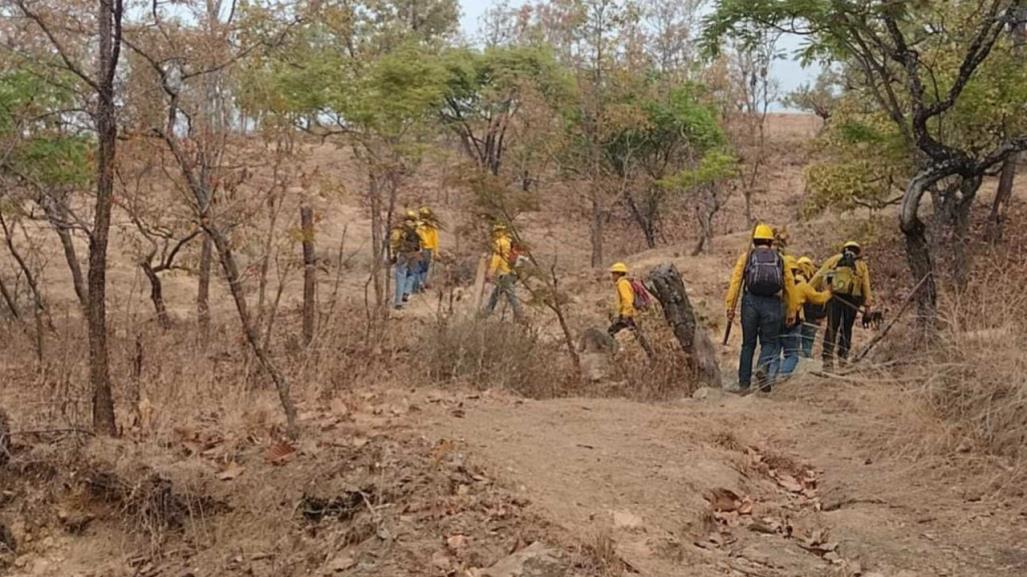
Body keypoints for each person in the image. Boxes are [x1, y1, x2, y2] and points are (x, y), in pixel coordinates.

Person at [725, 223, 797, 392]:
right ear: (771, 242)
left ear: (755, 240)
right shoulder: (780, 259)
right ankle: (762, 368)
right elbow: (790, 285)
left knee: (747, 344)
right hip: (772, 303)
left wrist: (730, 306)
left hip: (750, 302)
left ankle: (744, 384)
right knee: (769, 342)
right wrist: (792, 310)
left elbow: (735, 282)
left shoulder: (747, 257)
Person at [810, 241, 873, 369]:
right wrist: (867, 306)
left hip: (834, 298)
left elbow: (818, 276)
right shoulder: (861, 265)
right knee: (847, 328)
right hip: (852, 300)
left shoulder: (834, 260)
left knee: (831, 327)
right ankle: (843, 358)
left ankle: (827, 360)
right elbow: (866, 286)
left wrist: (807, 290)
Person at [778, 256, 832, 379]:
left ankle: (770, 375)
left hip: (775, 320)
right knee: (795, 352)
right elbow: (819, 299)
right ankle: (789, 374)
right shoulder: (804, 285)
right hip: (796, 321)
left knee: (775, 350)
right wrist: (830, 291)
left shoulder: (777, 283)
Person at [607, 262, 655, 359]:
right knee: (638, 334)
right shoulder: (626, 282)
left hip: (628, 315)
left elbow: (627, 299)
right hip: (632, 314)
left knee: (610, 332)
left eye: (613, 273)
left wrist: (625, 314)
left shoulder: (622, 284)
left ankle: (613, 354)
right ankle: (650, 354)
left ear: (618, 274)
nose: (612, 276)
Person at [482, 223, 524, 322]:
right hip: (513, 273)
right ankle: (486, 314)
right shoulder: (509, 241)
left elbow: (496, 259)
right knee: (495, 295)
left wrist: (490, 273)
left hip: (504, 274)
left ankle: (520, 316)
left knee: (511, 296)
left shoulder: (499, 243)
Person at [389, 212, 422, 310]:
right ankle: (406, 292)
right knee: (412, 274)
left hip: (403, 254)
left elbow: (395, 242)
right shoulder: (417, 228)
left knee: (400, 276)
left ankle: (398, 302)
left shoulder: (400, 229)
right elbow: (421, 242)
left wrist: (394, 254)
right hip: (414, 254)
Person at [796, 256, 825, 358]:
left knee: (795, 341)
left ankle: (794, 363)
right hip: (813, 317)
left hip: (798, 316)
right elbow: (821, 300)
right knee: (808, 341)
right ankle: (806, 360)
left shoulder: (795, 278)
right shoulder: (818, 281)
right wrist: (821, 317)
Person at [414, 206, 439, 292]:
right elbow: (435, 240)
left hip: (418, 249)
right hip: (428, 250)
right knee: (425, 268)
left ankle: (418, 283)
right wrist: (436, 252)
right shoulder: (432, 227)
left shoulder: (416, 225)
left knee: (417, 268)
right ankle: (422, 283)